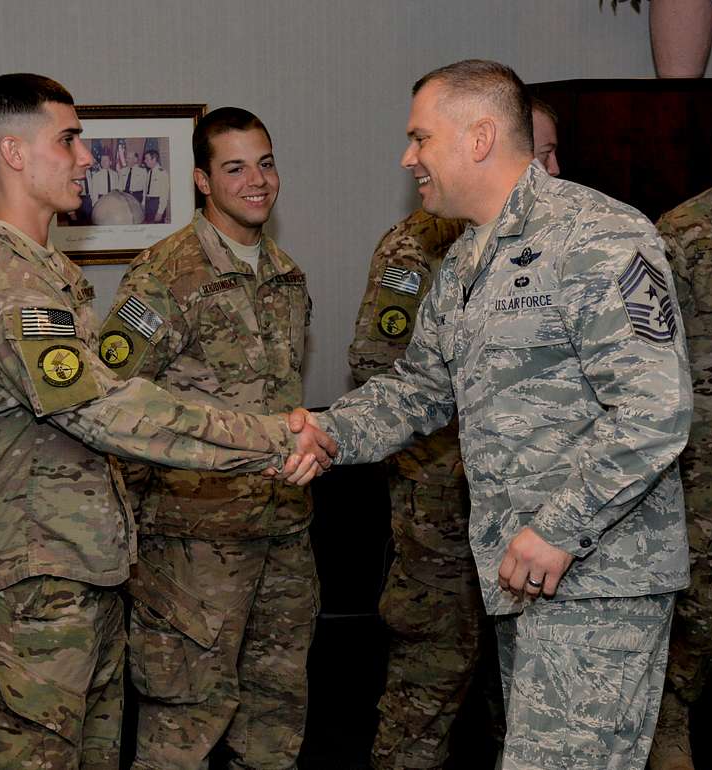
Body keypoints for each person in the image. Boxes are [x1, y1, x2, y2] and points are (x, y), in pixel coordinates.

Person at [296, 59, 691, 770]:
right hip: (526, 575)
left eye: (421, 137)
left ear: (479, 137)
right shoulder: (469, 259)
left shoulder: (596, 236)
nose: (407, 156)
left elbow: (654, 407)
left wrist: (559, 527)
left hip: (597, 579)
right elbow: (418, 388)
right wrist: (327, 430)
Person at [0, 73, 333, 770]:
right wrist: (273, 438)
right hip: (38, 583)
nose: (87, 158)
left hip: (88, 569)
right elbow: (108, 407)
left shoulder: (50, 274)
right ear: (15, 152)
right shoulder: (8, 284)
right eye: (69, 140)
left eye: (265, 163)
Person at [99, 107, 316, 769]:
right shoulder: (163, 277)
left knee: (276, 719)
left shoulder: (286, 275)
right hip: (193, 547)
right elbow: (114, 404)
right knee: (183, 729)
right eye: (235, 167)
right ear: (201, 179)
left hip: (283, 530)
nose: (257, 180)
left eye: (266, 162)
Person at [348, 99, 562, 770]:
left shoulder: (570, 243)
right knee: (429, 679)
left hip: (533, 520)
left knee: (527, 696)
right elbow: (382, 370)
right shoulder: (418, 246)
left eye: (551, 154)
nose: (545, 169)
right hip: (439, 506)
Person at [648, 88, 712, 770]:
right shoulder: (678, 234)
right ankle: (668, 717)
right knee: (700, 606)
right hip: (709, 463)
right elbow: (647, 357)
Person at [143, 148, 170, 223]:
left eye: (147, 159)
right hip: (148, 204)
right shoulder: (149, 172)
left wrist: (160, 212)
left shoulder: (162, 173)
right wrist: (143, 204)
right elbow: (146, 190)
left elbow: (164, 195)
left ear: (154, 159)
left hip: (156, 205)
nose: (145, 161)